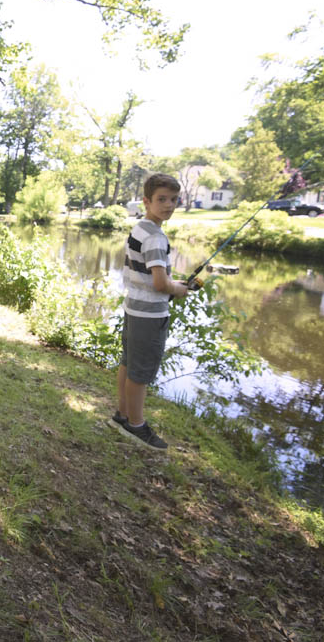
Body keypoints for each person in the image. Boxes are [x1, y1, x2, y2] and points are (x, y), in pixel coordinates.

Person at [111, 173, 197, 451]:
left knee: (128, 363)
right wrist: (179, 289)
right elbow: (160, 284)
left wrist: (174, 284)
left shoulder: (140, 229)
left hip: (133, 308)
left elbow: (148, 275)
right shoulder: (156, 237)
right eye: (161, 199)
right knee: (141, 373)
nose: (169, 205)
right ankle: (136, 426)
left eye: (173, 199)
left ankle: (122, 416)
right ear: (147, 201)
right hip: (149, 316)